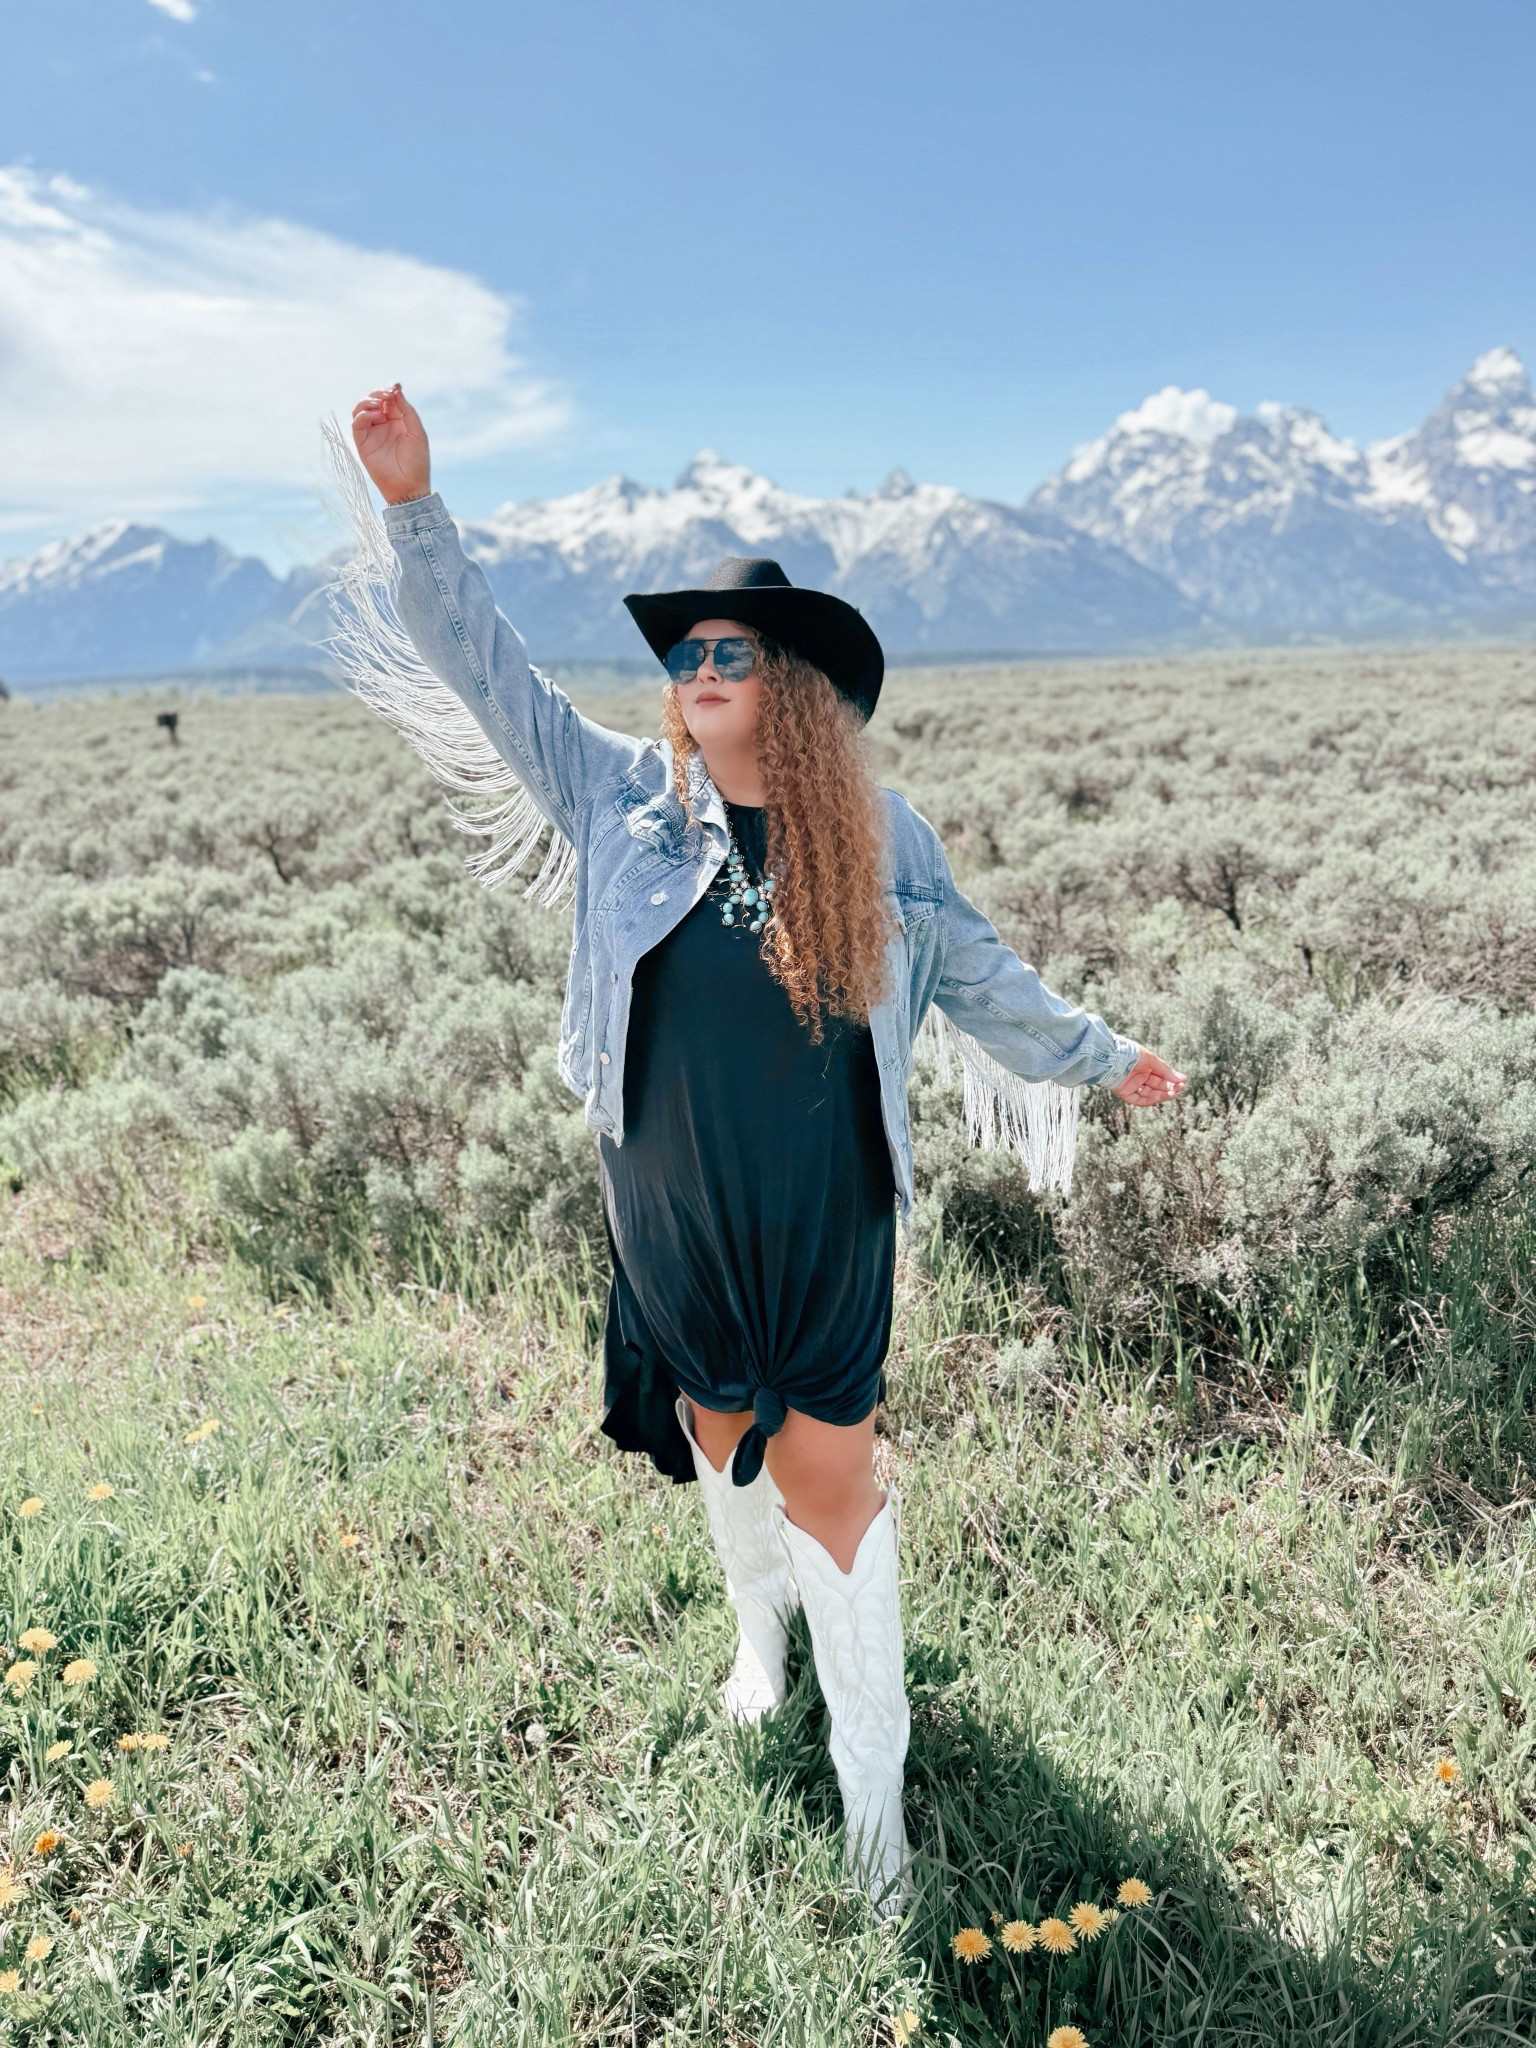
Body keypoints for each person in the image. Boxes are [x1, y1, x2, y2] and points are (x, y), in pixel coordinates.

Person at [339, 384, 1187, 1921]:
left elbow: (985, 976)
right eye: (686, 652)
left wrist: (1098, 1057)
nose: (701, 670)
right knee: (718, 1426)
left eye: (732, 652)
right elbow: (485, 671)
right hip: (665, 1210)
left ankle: (877, 1822)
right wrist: (415, 508)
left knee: (831, 1477)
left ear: (791, 685)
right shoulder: (615, 797)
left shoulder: (882, 835)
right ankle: (759, 1651)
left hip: (822, 1217)